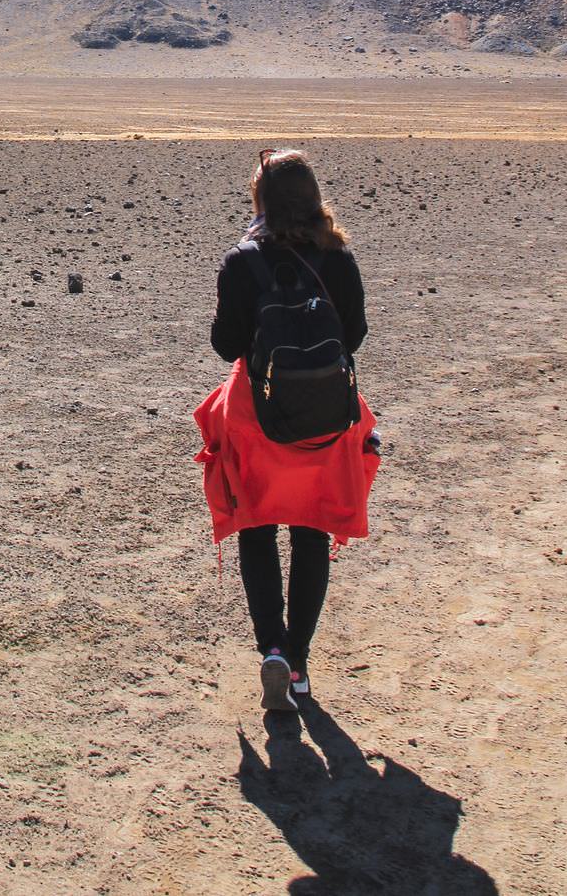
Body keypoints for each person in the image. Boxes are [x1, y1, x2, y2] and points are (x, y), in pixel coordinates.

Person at [194, 148, 379, 711]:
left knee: (257, 528)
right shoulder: (338, 258)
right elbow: (354, 337)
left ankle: (270, 648)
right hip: (323, 418)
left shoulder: (241, 261)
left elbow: (226, 345)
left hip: (258, 418)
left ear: (262, 202)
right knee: (311, 530)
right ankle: (297, 663)